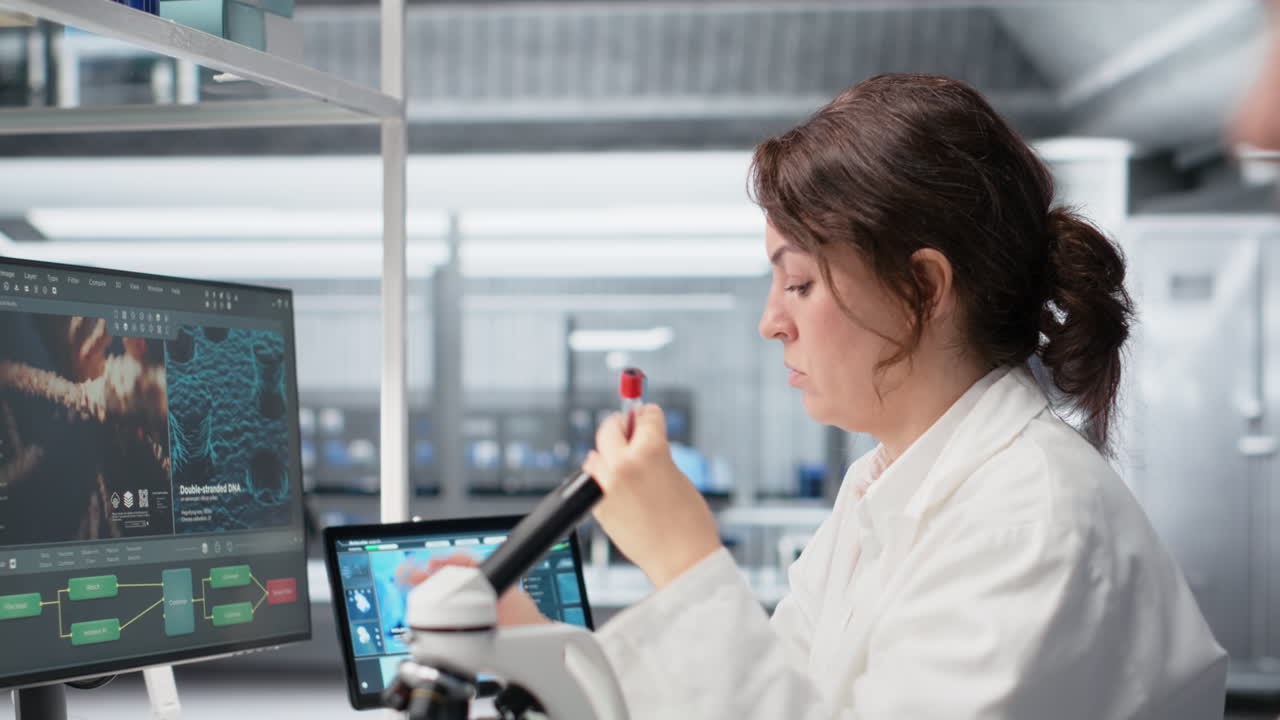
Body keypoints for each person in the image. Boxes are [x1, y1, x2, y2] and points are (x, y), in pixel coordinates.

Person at [569, 73, 1227, 719]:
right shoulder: (884, 487)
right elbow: (783, 693)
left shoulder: (1028, 523)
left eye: (798, 283)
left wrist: (681, 559)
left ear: (924, 288)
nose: (770, 322)